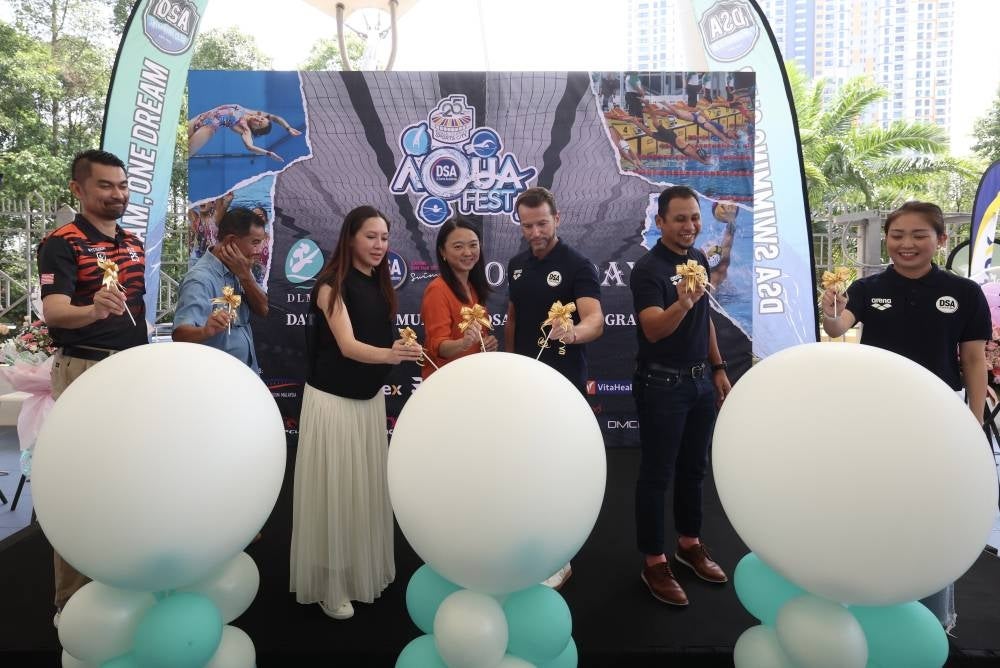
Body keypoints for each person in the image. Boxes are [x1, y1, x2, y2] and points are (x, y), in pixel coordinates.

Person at [821, 200, 990, 631]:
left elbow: (973, 361)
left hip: (940, 415)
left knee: (932, 515)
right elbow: (838, 329)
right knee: (876, 505)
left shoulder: (964, 293)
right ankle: (869, 600)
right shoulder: (866, 287)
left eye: (919, 235)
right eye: (897, 235)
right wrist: (831, 307)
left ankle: (935, 617)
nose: (906, 244)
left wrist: (972, 422)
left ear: (941, 240)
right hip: (879, 413)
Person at [289, 205, 422, 620]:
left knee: (361, 492)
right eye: (371, 236)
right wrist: (393, 354)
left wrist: (395, 353)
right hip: (334, 404)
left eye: (384, 237)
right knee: (335, 492)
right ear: (350, 238)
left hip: (368, 403)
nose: (380, 245)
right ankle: (331, 585)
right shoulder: (331, 285)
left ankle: (358, 571)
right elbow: (347, 346)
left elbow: (373, 345)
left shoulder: (378, 285)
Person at [37, 149, 148, 626]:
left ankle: (124, 576)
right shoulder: (61, 243)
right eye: (105, 185)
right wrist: (93, 311)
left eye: (122, 185)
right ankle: (72, 600)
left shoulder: (135, 242)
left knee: (128, 481)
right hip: (83, 370)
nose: (117, 194)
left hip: (131, 374)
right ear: (78, 189)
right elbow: (56, 312)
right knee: (80, 485)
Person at [629, 185, 732, 606]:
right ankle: (653, 561)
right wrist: (683, 303)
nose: (689, 226)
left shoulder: (699, 260)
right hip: (661, 385)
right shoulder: (647, 269)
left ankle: (689, 544)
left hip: (698, 383)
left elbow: (705, 318)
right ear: (660, 222)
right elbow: (653, 328)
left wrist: (719, 367)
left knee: (694, 469)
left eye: (694, 218)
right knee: (657, 476)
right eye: (679, 218)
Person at [505, 186, 604, 590]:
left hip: (563, 388)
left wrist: (572, 334)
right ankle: (529, 546)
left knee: (559, 473)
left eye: (542, 223)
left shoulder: (578, 265)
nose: (535, 233)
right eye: (527, 226)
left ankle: (560, 556)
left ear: (557, 219)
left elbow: (595, 319)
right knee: (526, 471)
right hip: (523, 387)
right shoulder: (516, 264)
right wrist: (508, 367)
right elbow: (512, 318)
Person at [172, 207, 269, 372]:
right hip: (216, 382)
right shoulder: (200, 279)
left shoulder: (241, 267)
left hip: (244, 376)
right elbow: (179, 335)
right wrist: (205, 331)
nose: (259, 250)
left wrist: (246, 276)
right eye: (255, 242)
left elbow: (263, 309)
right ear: (231, 241)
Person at [419, 217, 499, 378]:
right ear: (443, 251)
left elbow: (477, 338)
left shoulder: (474, 287)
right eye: (458, 247)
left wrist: (487, 343)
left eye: (473, 245)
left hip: (473, 378)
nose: (468, 252)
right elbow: (438, 346)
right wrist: (464, 343)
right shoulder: (437, 290)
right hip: (448, 381)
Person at [188, 104, 302, 161]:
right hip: (200, 118)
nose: (258, 119)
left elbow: (250, 147)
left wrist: (268, 153)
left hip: (207, 129)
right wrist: (288, 128)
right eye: (261, 119)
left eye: (259, 124)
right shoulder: (251, 112)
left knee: (185, 152)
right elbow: (275, 118)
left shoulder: (245, 130)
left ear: (256, 130)